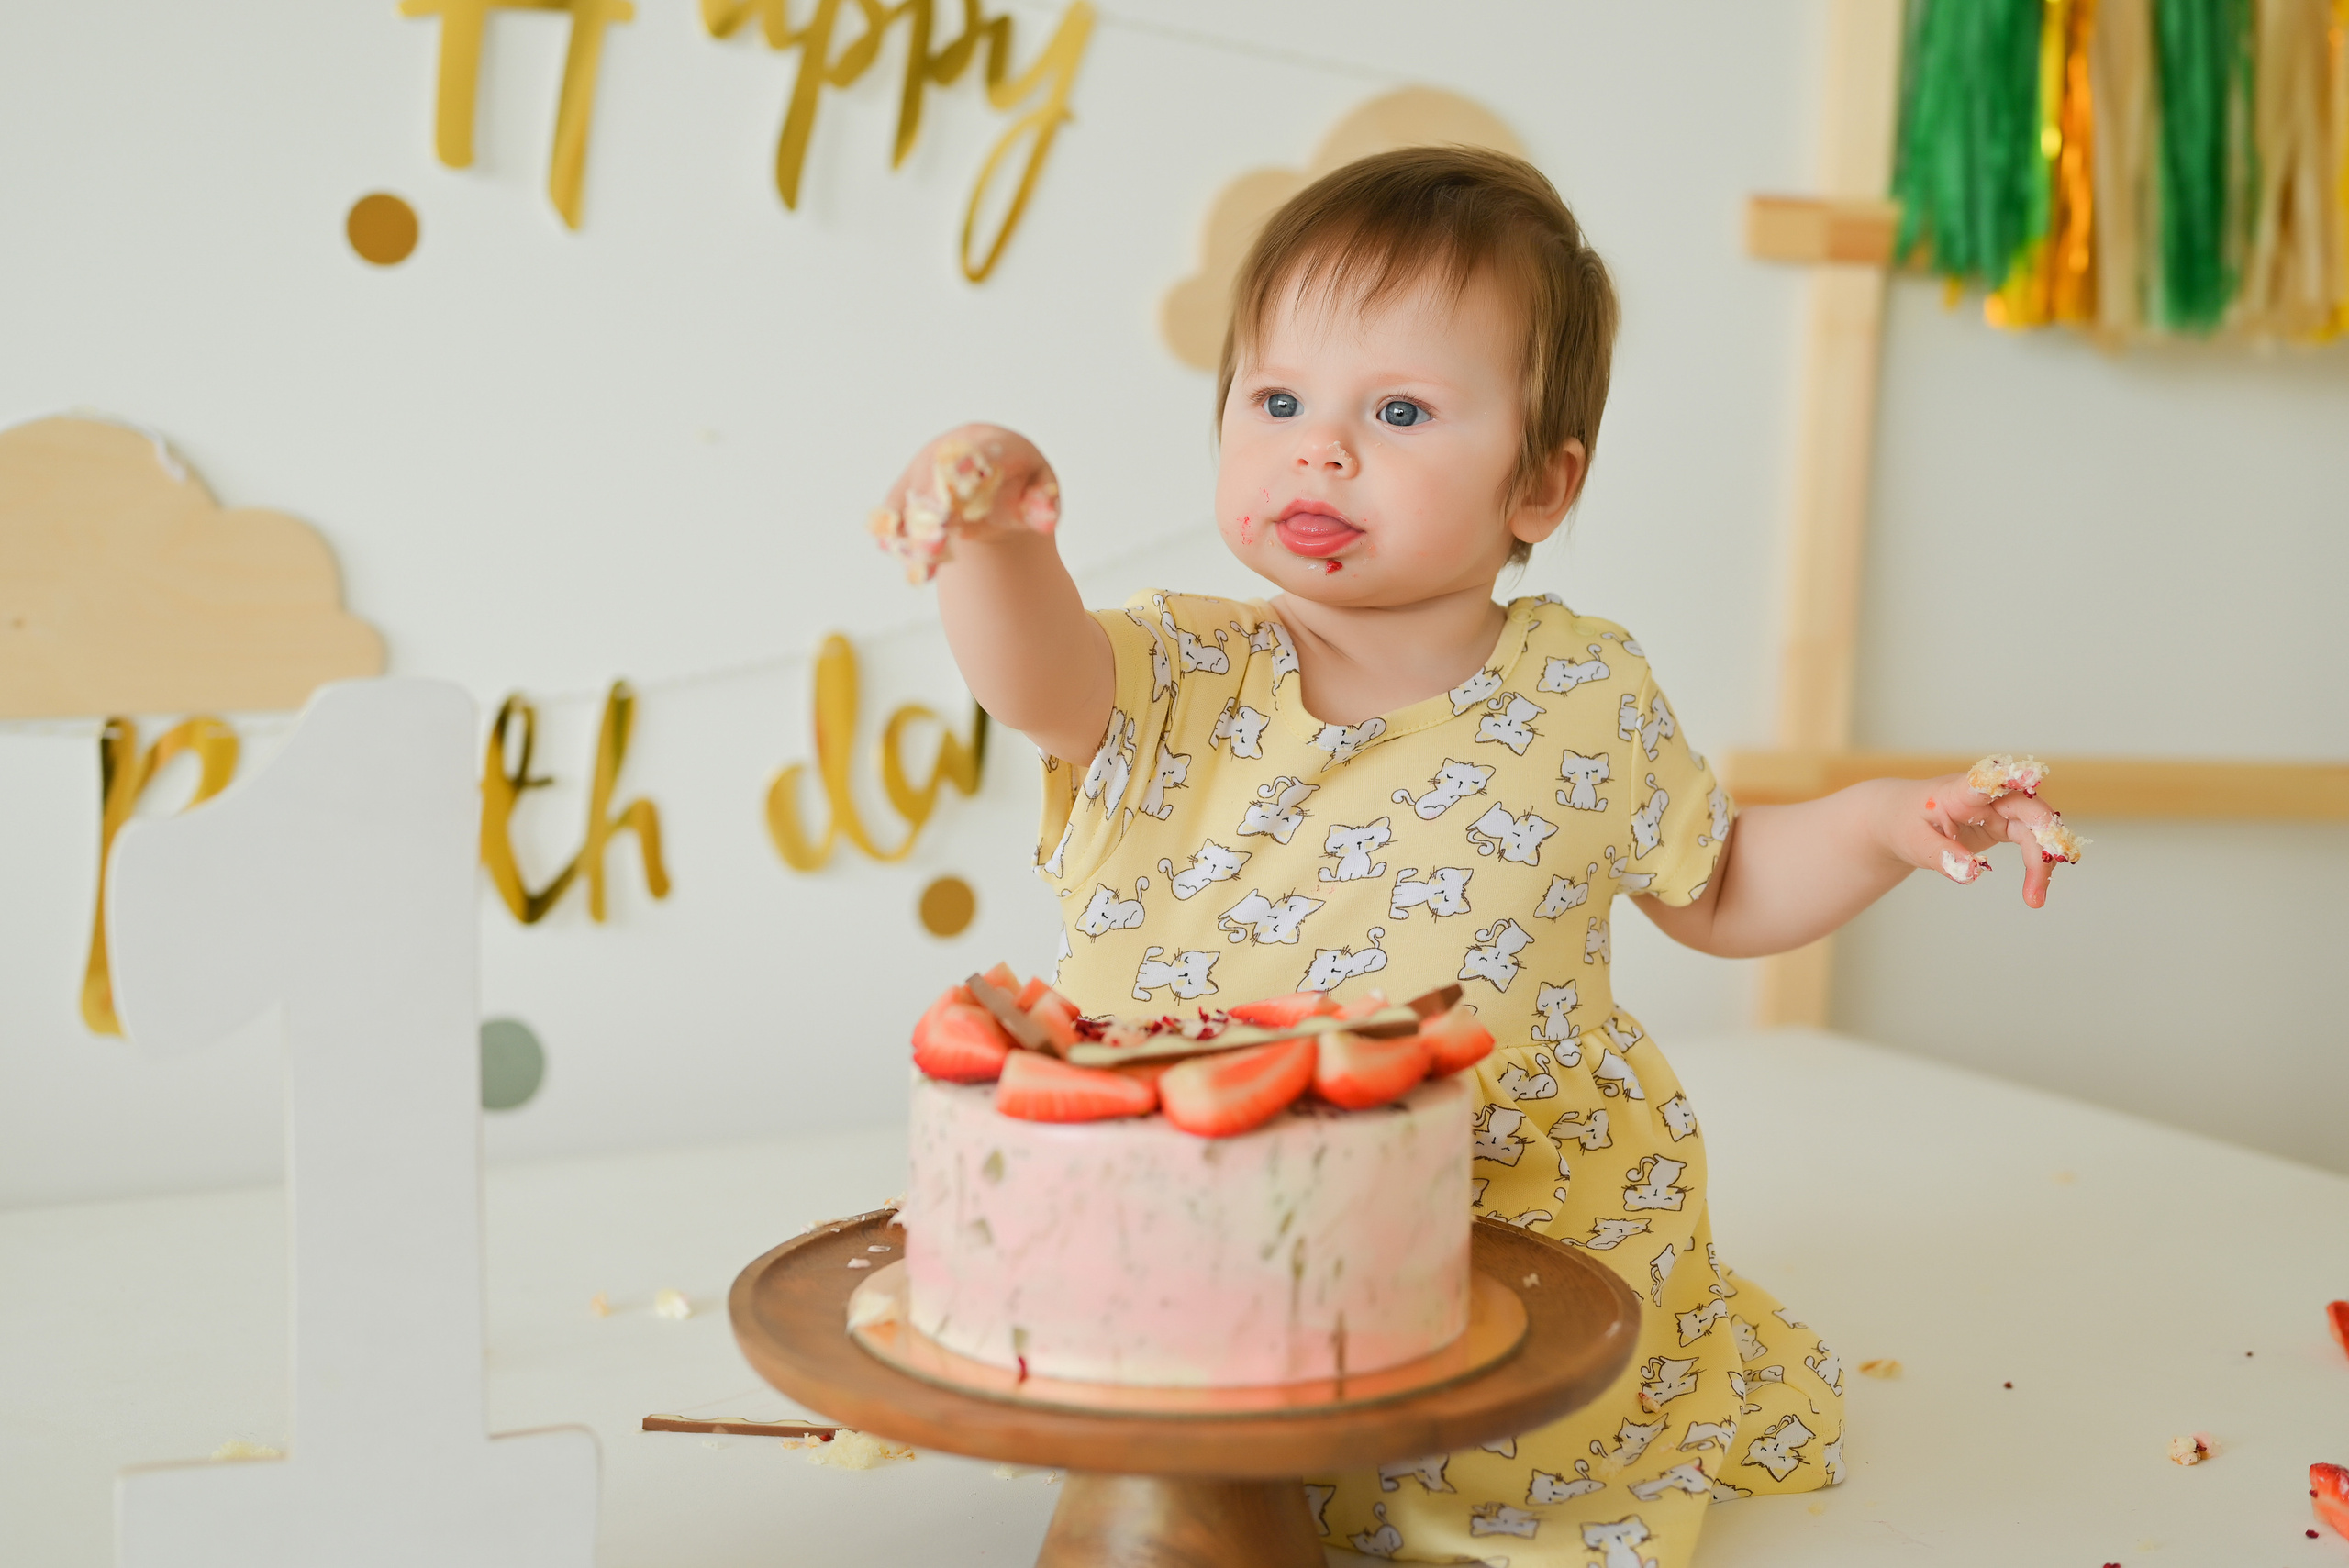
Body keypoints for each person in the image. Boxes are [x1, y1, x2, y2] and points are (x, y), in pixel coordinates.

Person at [872, 146, 2075, 1567]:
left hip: (1503, 1230)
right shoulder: (1174, 668)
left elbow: (1723, 883)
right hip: (1206, 1243)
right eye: (1275, 400)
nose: (1320, 446)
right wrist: (991, 541)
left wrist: (1886, 820)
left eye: (1398, 409)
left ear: (1542, 484)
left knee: (1497, 1467)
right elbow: (1034, 679)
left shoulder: (1583, 692)